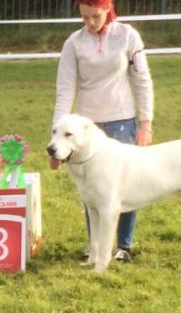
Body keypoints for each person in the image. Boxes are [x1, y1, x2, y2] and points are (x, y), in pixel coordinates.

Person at [53, 0, 154, 263]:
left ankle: (123, 245)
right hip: (85, 130)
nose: (89, 23)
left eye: (95, 16)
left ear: (108, 9)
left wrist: (146, 123)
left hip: (122, 120)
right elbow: (65, 89)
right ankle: (96, 247)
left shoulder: (128, 36)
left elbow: (142, 80)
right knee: (91, 189)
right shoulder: (73, 43)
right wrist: (57, 136)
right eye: (84, 18)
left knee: (127, 183)